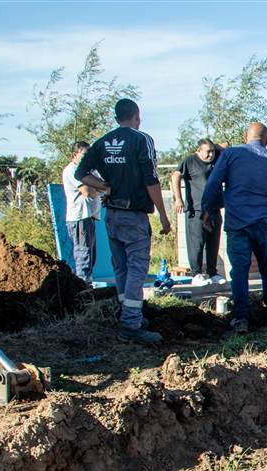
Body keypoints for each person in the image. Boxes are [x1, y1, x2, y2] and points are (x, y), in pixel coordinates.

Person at [76, 98, 172, 344]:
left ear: (117, 117)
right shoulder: (142, 140)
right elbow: (151, 180)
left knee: (121, 268)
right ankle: (131, 324)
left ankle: (128, 315)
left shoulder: (102, 143)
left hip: (112, 215)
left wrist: (105, 186)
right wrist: (162, 214)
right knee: (137, 270)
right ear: (136, 116)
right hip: (133, 214)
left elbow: (81, 173)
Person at [201, 122, 267, 333]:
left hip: (238, 224)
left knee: (239, 272)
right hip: (265, 225)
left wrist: (207, 209)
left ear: (245, 136)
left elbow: (213, 183)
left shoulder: (231, 155)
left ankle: (241, 318)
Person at [170, 138, 224, 286]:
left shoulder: (217, 159)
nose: (211, 155)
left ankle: (212, 273)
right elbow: (175, 176)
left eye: (212, 151)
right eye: (207, 152)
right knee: (197, 243)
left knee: (214, 242)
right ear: (198, 151)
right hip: (197, 210)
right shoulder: (190, 161)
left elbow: (226, 147)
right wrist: (178, 199)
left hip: (215, 209)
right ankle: (196, 273)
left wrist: (215, 147)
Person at [61, 141, 102, 285]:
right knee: (83, 255)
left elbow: (104, 185)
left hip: (89, 217)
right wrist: (98, 188)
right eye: (85, 154)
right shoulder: (72, 170)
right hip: (79, 217)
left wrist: (98, 188)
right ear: (75, 155)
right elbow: (88, 192)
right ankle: (83, 289)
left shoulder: (90, 171)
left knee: (91, 256)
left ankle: (87, 286)